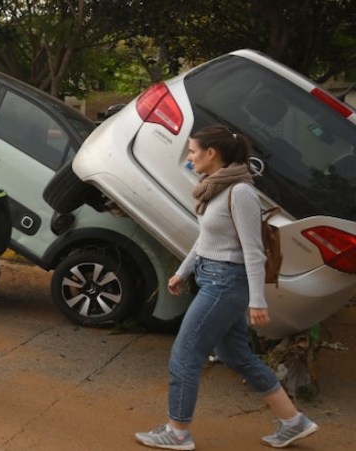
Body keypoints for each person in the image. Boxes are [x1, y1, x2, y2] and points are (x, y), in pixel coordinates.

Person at [135, 125, 317, 450]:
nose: (189, 158)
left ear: (211, 153)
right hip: (213, 276)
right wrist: (183, 271)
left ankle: (177, 433)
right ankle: (294, 422)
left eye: (192, 151)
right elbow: (207, 239)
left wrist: (258, 301)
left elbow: (253, 249)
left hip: (226, 282)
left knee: (185, 354)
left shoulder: (241, 192)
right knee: (237, 355)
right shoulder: (216, 188)